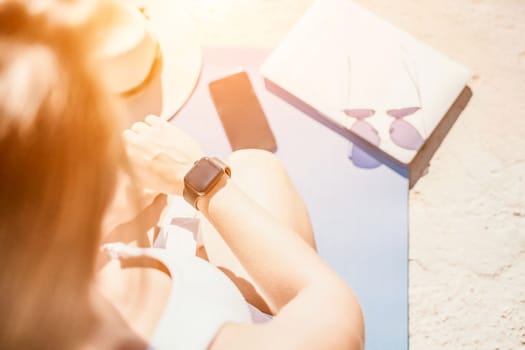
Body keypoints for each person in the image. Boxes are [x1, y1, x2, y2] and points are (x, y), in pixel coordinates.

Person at [0, 0, 364, 349]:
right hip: (233, 314)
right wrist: (198, 177)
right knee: (254, 166)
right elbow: (334, 319)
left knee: (150, 208)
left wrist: (100, 218)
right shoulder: (137, 316)